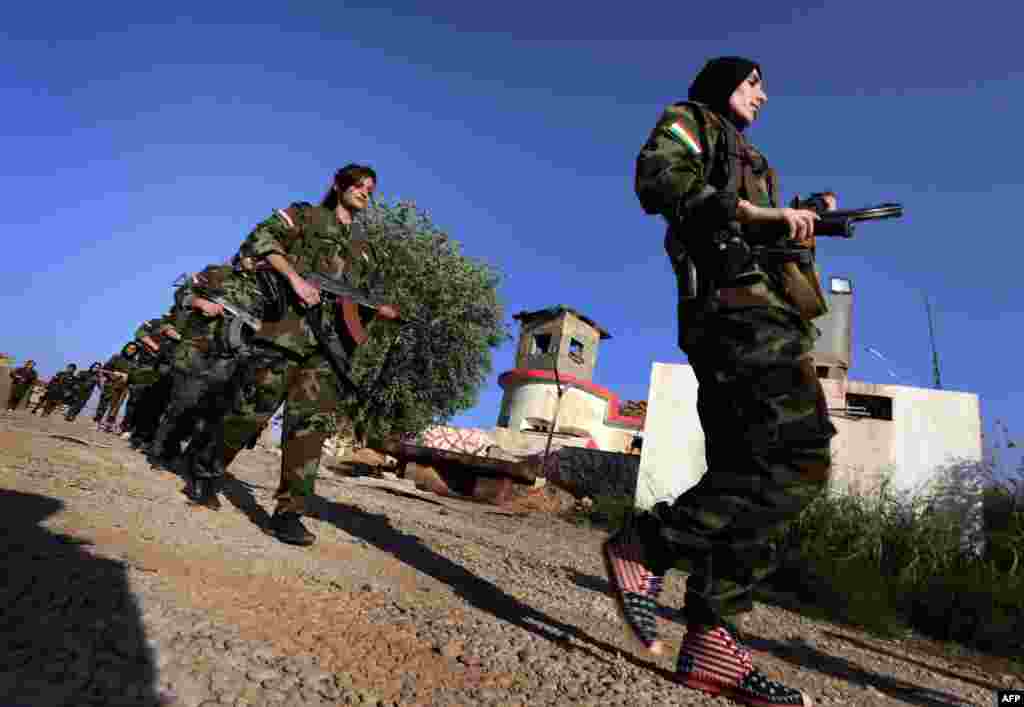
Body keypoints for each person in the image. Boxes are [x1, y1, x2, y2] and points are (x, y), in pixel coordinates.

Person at [606, 57, 836, 707]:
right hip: (736, 316)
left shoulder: (757, 161)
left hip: (766, 316)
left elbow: (757, 230)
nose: (764, 93)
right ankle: (647, 548)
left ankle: (711, 636)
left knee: (751, 462)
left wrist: (799, 217)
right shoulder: (691, 121)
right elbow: (659, 178)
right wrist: (755, 215)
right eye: (752, 81)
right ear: (721, 86)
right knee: (797, 457)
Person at [189, 163, 395, 541]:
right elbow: (261, 239)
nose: (365, 192)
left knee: (309, 429)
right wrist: (295, 280)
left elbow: (360, 300)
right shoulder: (305, 216)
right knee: (251, 411)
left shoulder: (365, 251)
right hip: (285, 333)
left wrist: (377, 311)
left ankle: (288, 513)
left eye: (371, 189)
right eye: (359, 185)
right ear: (338, 185)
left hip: (329, 350)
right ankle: (205, 471)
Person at [93, 343, 140, 432]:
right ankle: (97, 422)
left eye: (133, 349)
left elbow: (134, 377)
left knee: (115, 407)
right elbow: (105, 369)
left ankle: (108, 425)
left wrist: (128, 376)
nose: (131, 350)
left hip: (123, 387)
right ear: (125, 348)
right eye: (129, 348)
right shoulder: (116, 357)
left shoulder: (135, 363)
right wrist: (114, 373)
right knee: (103, 404)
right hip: (111, 384)